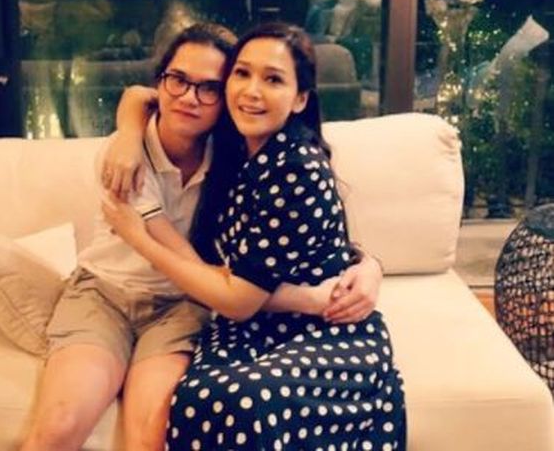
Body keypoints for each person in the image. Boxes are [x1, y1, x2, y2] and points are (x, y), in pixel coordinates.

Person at [21, 23, 381, 451]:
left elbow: (299, 231)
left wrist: (369, 266)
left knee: (152, 434)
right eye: (177, 80)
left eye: (209, 88)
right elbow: (136, 97)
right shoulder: (125, 153)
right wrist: (129, 131)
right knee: (59, 424)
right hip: (105, 294)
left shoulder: (237, 154)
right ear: (161, 81)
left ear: (224, 95)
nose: (189, 98)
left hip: (182, 306)